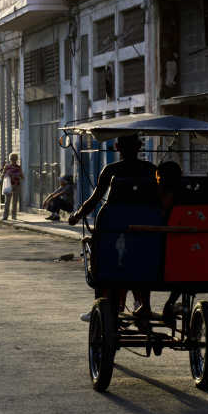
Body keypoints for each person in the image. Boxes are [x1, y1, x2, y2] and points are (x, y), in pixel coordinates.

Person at [69, 134, 156, 321]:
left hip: (113, 223)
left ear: (117, 147)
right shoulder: (151, 169)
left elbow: (94, 199)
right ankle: (145, 305)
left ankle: (99, 306)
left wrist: (76, 216)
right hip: (145, 223)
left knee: (100, 259)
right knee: (144, 257)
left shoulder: (112, 169)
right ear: (140, 147)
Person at [157, 160, 183, 326]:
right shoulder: (188, 193)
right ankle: (171, 302)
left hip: (166, 248)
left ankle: (144, 306)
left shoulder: (160, 193)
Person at [0, 152, 24, 220]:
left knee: (7, 201)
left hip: (9, 186)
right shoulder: (18, 167)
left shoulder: (7, 167)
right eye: (13, 159)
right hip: (16, 185)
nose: (13, 160)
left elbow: (2, 175)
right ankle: (13, 216)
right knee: (14, 202)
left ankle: (5, 216)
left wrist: (4, 172)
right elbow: (22, 177)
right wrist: (17, 175)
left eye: (13, 159)